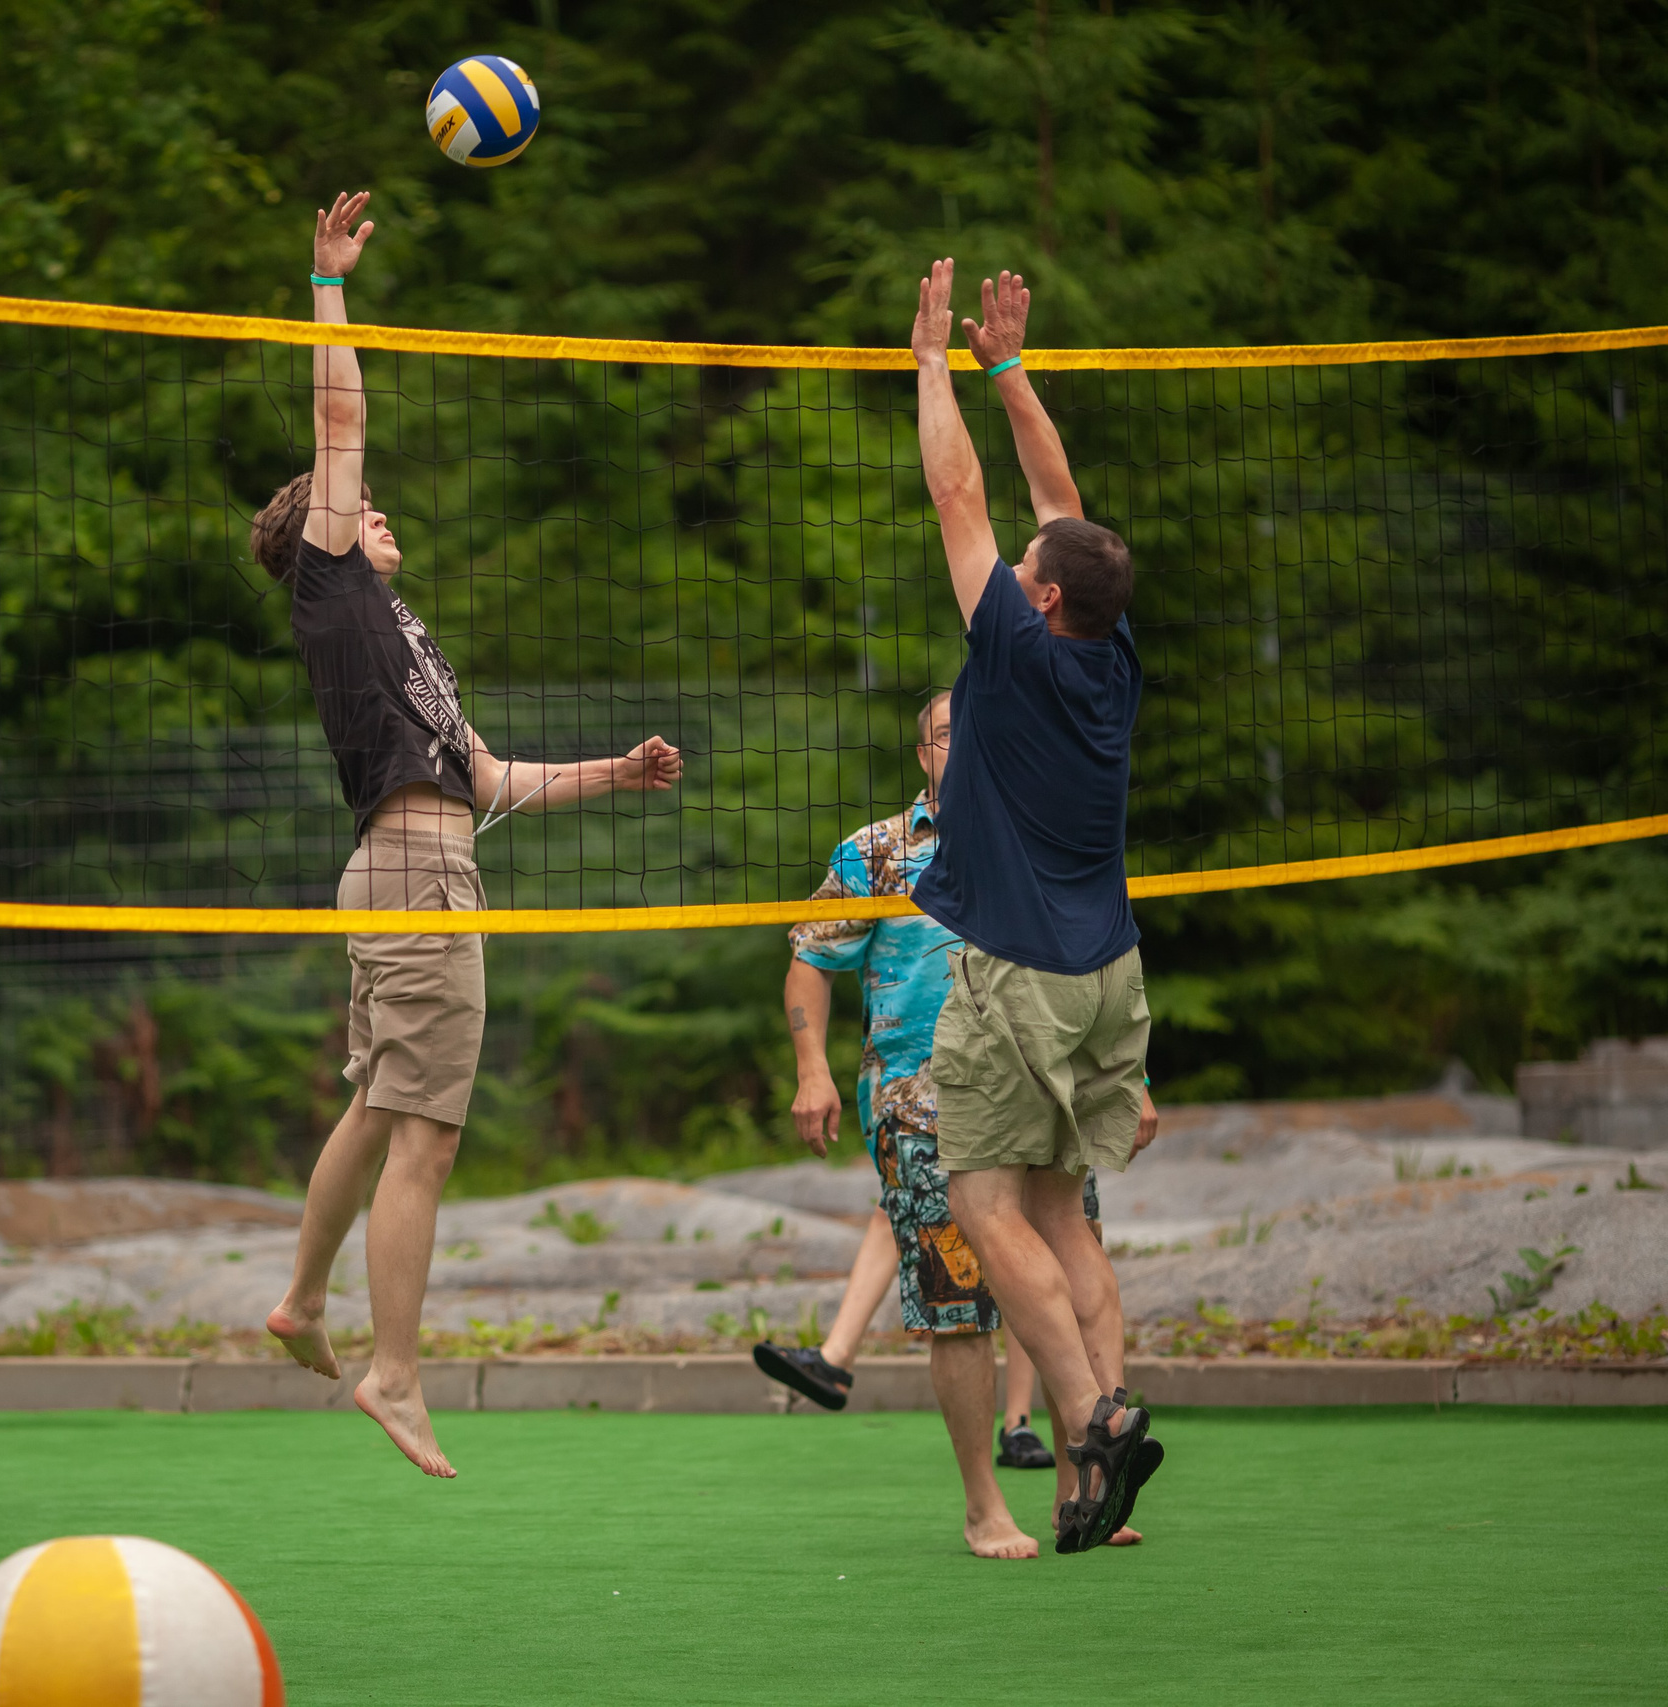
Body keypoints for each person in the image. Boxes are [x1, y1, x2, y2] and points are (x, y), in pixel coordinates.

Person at [256, 191, 684, 1478]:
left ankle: (300, 1301)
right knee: (427, 1135)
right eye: (361, 506)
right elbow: (341, 413)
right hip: (410, 868)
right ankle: (393, 1370)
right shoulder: (331, 583)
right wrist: (327, 282)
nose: (380, 513)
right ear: (324, 535)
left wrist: (614, 772)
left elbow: (485, 776)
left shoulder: (399, 634)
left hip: (414, 857)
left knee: (385, 1111)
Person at [753, 691, 1154, 1556]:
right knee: (960, 1305)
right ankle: (983, 1506)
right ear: (924, 755)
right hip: (918, 1098)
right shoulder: (878, 852)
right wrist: (812, 1068)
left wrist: (1135, 1079)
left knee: (1063, 1277)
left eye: (972, 732)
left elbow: (1094, 963)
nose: (958, 748)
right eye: (941, 736)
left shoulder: (1039, 835)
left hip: (1036, 1090)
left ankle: (1080, 1489)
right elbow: (809, 959)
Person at [906, 261, 1159, 1555]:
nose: (1015, 558)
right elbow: (1055, 500)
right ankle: (1087, 1482)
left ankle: (1094, 1414)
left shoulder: (1011, 644)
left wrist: (936, 363)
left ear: (1043, 594)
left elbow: (961, 491)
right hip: (1112, 972)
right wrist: (1015, 370)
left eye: (1028, 564)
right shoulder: (1108, 644)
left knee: (987, 1202)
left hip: (1021, 973)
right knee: (1066, 1211)